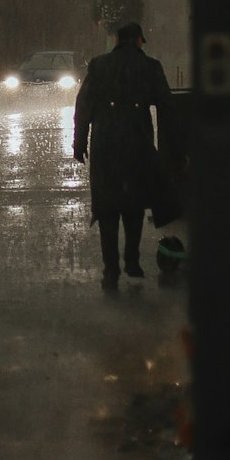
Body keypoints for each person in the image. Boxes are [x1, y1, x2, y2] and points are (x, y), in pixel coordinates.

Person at [73, 21, 178, 288]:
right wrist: (170, 149)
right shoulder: (150, 67)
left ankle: (111, 268)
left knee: (107, 207)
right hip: (137, 142)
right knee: (133, 205)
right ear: (138, 40)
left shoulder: (98, 66)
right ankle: (132, 261)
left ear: (117, 41)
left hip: (105, 143)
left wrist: (79, 142)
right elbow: (166, 106)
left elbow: (83, 106)